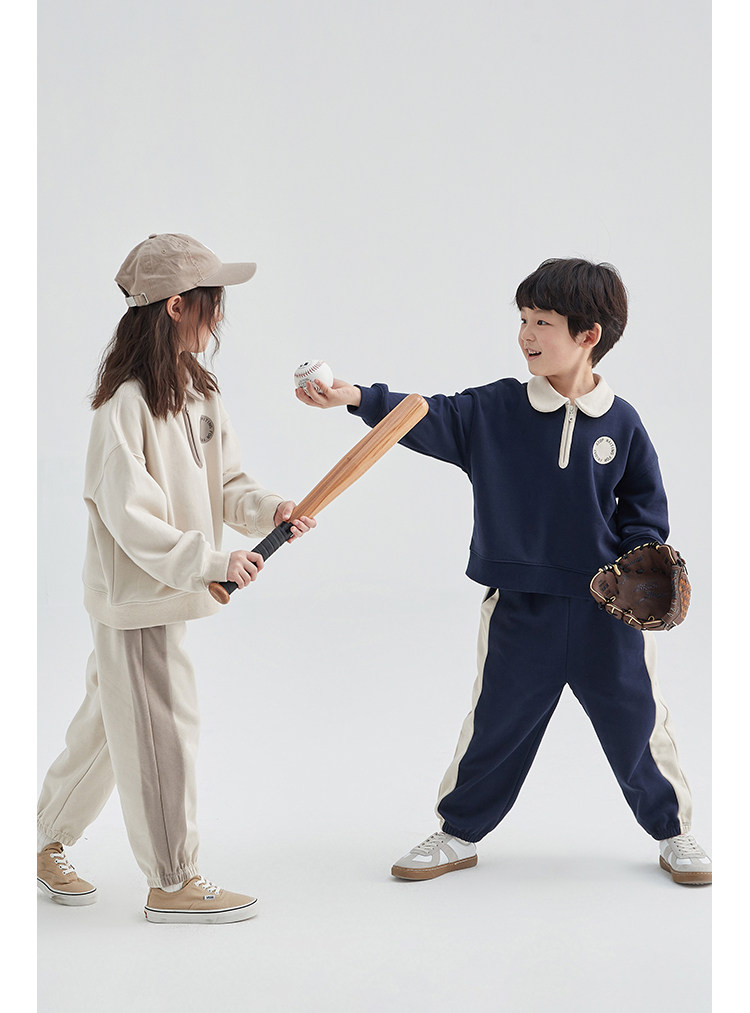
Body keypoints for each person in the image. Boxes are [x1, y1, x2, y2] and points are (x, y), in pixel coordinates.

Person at [296, 257, 711, 887]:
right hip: (520, 609)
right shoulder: (494, 410)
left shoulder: (621, 422)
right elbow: (425, 414)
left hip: (606, 613)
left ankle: (675, 834)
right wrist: (354, 397)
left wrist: (640, 557)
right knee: (495, 725)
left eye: (543, 322)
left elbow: (644, 508)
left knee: (638, 725)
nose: (526, 334)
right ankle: (458, 833)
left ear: (588, 334)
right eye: (522, 319)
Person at [37, 233, 316, 923]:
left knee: (112, 725)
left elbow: (228, 482)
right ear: (175, 306)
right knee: (161, 734)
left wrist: (269, 510)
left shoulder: (198, 390)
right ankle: (172, 882)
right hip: (137, 598)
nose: (219, 317)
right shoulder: (124, 406)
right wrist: (213, 562)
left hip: (169, 588)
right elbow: (131, 520)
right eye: (211, 302)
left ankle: (41, 839)